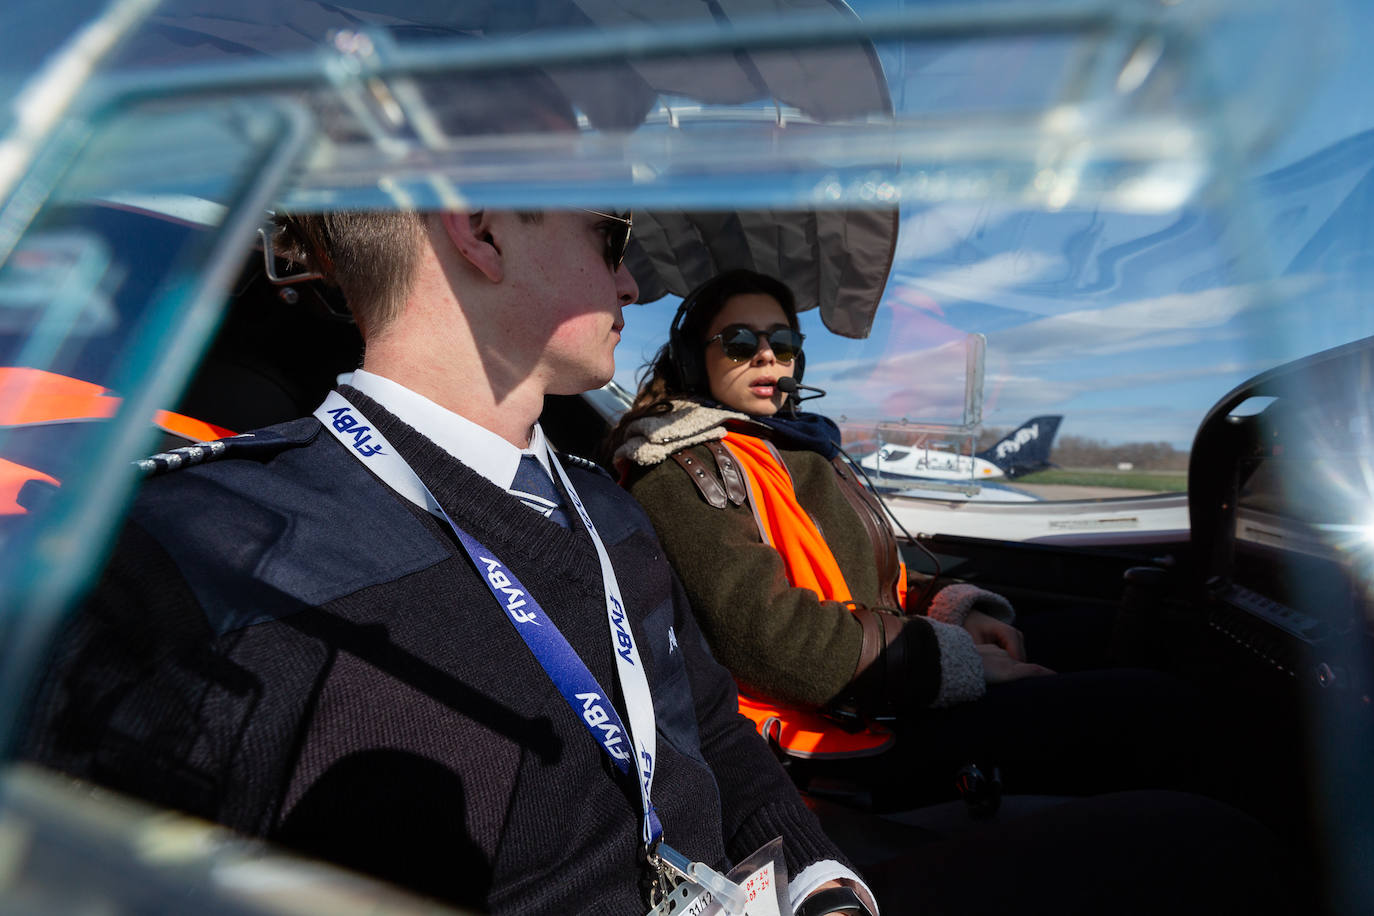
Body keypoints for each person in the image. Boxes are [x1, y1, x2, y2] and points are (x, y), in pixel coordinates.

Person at [18, 212, 876, 915]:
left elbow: (714, 732)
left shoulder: (608, 507)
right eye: (609, 238)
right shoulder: (191, 556)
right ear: (481, 231)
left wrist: (820, 881)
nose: (632, 284)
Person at [610, 269, 1225, 807]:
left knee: (1119, 634)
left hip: (881, 676)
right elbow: (771, 644)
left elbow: (869, 581)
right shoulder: (683, 467)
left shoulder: (794, 450)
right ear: (695, 358)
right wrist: (953, 659)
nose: (770, 358)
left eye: (785, 342)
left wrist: (958, 608)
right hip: (832, 728)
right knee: (1157, 707)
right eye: (742, 343)